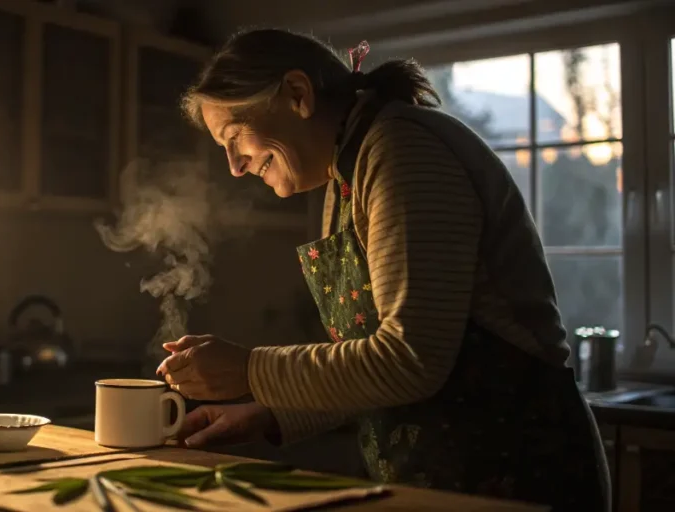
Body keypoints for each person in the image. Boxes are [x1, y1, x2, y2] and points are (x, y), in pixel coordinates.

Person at [157, 28, 610, 511]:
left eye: (234, 137)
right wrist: (271, 414)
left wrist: (249, 369)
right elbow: (370, 372)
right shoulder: (346, 174)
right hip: (445, 481)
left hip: (515, 477)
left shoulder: (402, 151)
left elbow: (410, 360)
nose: (235, 166)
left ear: (297, 94)